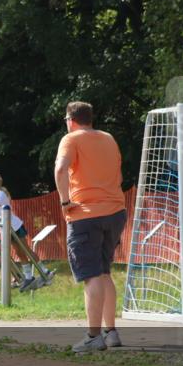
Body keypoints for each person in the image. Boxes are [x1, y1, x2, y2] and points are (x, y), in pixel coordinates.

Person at [54, 101, 127, 353]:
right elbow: (117, 174)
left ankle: (93, 336)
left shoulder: (71, 139)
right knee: (104, 271)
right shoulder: (108, 138)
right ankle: (111, 332)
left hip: (86, 214)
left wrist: (65, 201)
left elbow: (61, 169)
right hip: (116, 212)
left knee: (92, 275)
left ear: (70, 120)